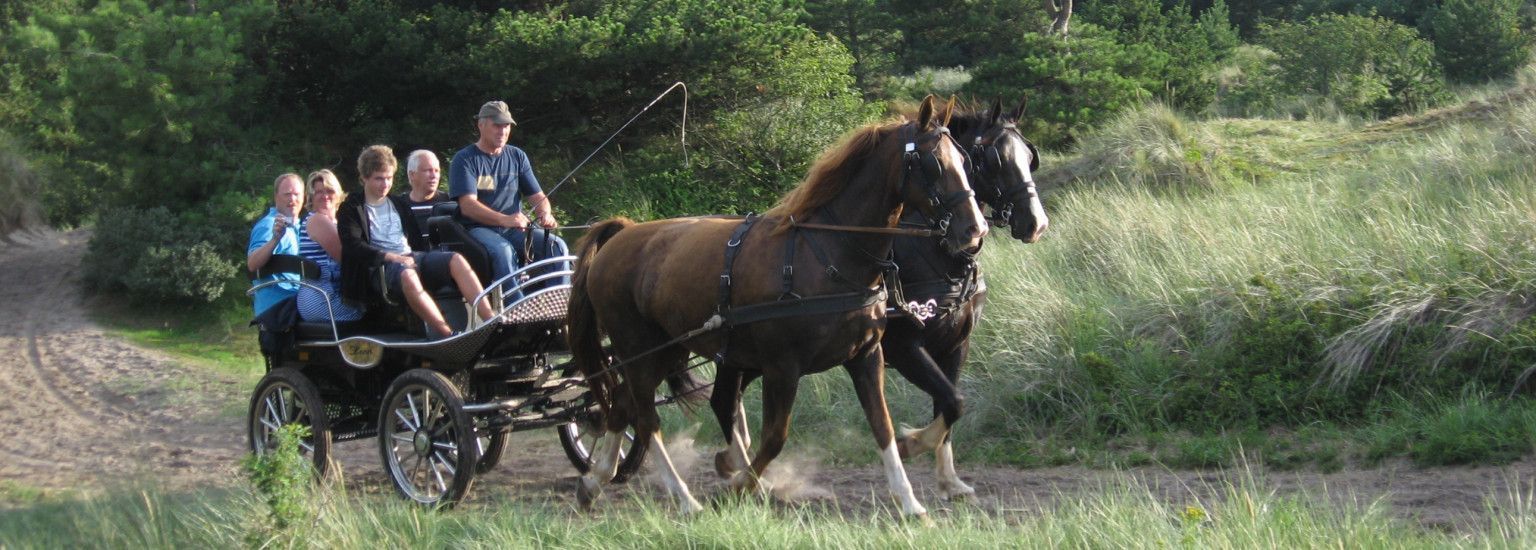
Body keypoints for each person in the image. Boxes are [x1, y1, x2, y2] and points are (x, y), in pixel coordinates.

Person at [337, 145, 496, 338]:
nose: (385, 184)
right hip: (380, 268)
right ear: (364, 178)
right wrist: (392, 257)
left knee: (455, 259)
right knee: (408, 275)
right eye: (379, 178)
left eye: (389, 178)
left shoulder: (398, 204)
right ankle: (447, 334)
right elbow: (353, 246)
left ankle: (491, 322)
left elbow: (415, 242)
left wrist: (425, 261)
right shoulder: (352, 208)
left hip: (411, 257)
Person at [449, 100, 569, 294]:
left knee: (556, 245)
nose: (503, 131)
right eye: (497, 125)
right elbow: (468, 206)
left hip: (514, 228)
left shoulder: (517, 156)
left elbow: (538, 196)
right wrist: (505, 219)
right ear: (481, 125)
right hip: (477, 229)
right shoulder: (464, 159)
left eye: (506, 126)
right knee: (503, 251)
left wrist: (545, 213)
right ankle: (514, 306)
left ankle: (556, 300)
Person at [296, 169, 363, 324]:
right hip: (321, 298)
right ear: (311, 197)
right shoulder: (318, 220)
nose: (325, 196)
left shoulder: (336, 222)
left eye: (329, 190)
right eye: (319, 192)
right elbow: (348, 258)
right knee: (375, 314)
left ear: (338, 193)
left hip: (327, 294)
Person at [247, 173, 304, 316]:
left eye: (296, 194)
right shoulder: (269, 225)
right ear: (276, 197)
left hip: (296, 301)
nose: (292, 199)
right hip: (278, 308)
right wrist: (274, 240)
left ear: (304, 197)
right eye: (287, 194)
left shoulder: (300, 227)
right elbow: (252, 264)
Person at [402, 149, 449, 244]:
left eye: (436, 171)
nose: (434, 176)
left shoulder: (449, 203)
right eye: (428, 170)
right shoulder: (399, 206)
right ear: (412, 175)